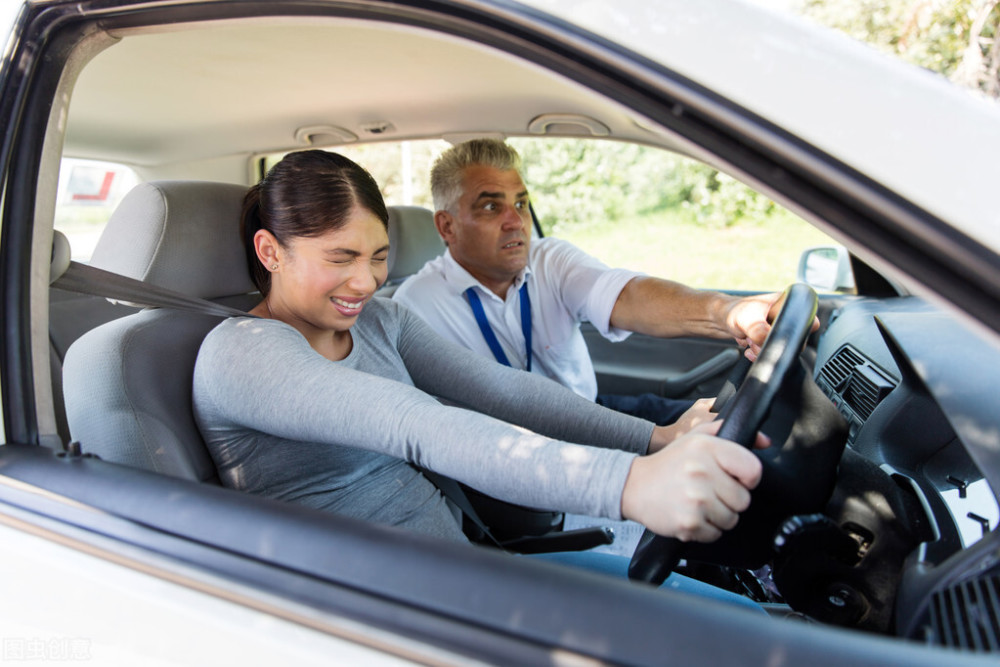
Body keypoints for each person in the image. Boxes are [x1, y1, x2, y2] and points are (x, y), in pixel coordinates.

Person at [192, 149, 768, 609]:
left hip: (464, 570)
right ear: (270, 252)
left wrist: (655, 438)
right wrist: (632, 484)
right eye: (340, 258)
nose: (366, 282)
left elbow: (501, 390)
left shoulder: (382, 321)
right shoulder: (242, 353)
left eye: (378, 256)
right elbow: (417, 423)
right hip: (368, 611)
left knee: (733, 622)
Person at [392, 139, 781, 427]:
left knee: (738, 423)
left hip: (592, 418)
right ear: (447, 226)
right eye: (492, 206)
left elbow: (626, 295)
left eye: (522, 204)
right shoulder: (415, 308)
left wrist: (728, 311)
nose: (516, 221)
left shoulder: (549, 259)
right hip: (509, 451)